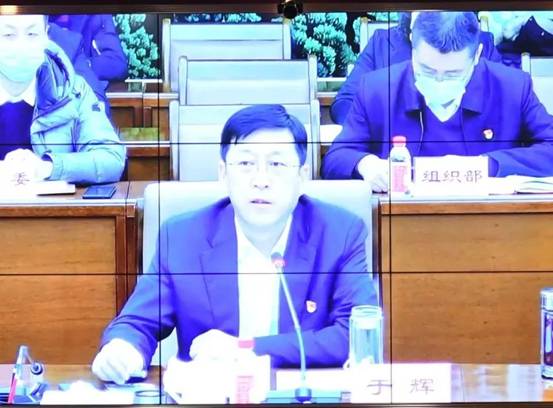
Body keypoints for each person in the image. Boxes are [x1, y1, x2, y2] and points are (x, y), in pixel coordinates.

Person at [92, 104, 377, 384]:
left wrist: (246, 348)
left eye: (277, 164)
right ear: (223, 173)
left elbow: (355, 335)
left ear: (302, 176)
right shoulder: (182, 237)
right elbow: (138, 322)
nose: (261, 180)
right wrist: (122, 350)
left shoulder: (340, 232)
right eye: (245, 164)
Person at [322, 11, 553, 192]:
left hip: (492, 222)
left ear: (477, 55)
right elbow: (335, 157)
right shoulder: (377, 89)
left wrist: (489, 165)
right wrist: (365, 164)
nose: (439, 81)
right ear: (412, 47)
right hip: (402, 223)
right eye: (427, 70)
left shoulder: (512, 87)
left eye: (453, 74)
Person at [0, 14, 125, 184]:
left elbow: (111, 158)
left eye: (32, 34)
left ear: (46, 35)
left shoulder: (72, 89)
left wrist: (48, 168)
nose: (20, 46)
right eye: (8, 35)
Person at [331, 11, 502, 124]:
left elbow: (504, 105)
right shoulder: (381, 42)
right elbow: (345, 102)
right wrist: (375, 132)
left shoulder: (482, 43)